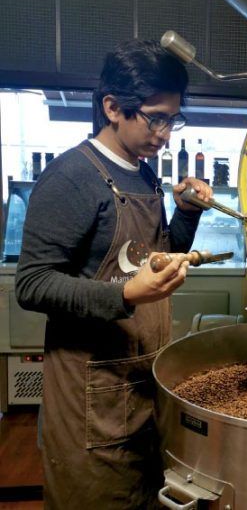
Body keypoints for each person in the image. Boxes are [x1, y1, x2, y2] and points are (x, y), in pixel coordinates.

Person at [15, 39, 212, 509]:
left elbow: (157, 260)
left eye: (173, 119)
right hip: (92, 398)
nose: (165, 134)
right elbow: (32, 284)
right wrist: (124, 295)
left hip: (144, 381)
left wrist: (186, 213)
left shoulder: (143, 175)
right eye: (155, 118)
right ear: (112, 108)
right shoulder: (71, 177)